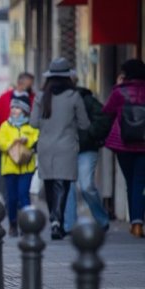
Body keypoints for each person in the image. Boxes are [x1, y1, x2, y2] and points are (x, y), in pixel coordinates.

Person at [29, 57, 90, 240]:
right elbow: (85, 124)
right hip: (67, 145)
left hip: (46, 146)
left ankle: (54, 219)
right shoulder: (74, 97)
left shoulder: (41, 96)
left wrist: (47, 125)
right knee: (62, 184)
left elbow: (33, 123)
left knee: (49, 184)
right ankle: (58, 221)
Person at [102, 58, 145, 238]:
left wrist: (117, 86)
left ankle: (135, 223)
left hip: (123, 144)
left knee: (131, 182)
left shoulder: (120, 92)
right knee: (139, 183)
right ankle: (137, 222)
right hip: (143, 144)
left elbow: (107, 111)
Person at [63, 81, 113, 233]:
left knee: (86, 186)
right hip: (66, 150)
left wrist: (90, 134)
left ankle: (102, 219)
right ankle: (70, 226)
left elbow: (104, 118)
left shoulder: (87, 99)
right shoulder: (56, 101)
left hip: (86, 149)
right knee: (69, 187)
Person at [0, 95, 39, 237]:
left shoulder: (30, 126)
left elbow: (36, 138)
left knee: (24, 195)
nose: (14, 110)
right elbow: (1, 142)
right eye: (13, 107)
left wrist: (27, 141)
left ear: (25, 111)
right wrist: (14, 142)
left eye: (18, 107)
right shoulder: (5, 125)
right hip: (10, 168)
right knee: (12, 198)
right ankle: (13, 223)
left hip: (27, 167)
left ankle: (27, 224)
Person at [0, 72, 35, 152]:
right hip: (6, 141)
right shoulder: (4, 98)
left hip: (25, 145)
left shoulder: (33, 98)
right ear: (20, 84)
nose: (30, 90)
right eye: (28, 87)